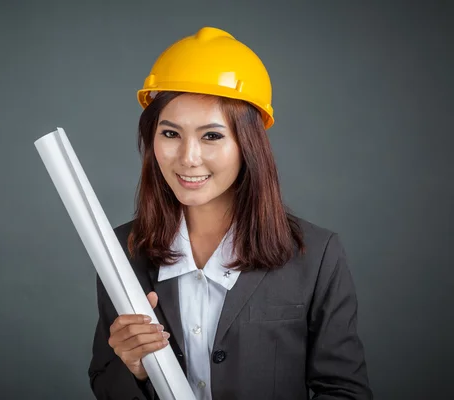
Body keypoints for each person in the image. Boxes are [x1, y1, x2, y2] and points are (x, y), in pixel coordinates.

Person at [88, 26, 373, 399]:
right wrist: (134, 368)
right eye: (170, 134)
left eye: (212, 136)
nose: (188, 158)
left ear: (248, 145)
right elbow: (104, 383)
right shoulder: (122, 250)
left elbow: (344, 391)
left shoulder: (317, 256)